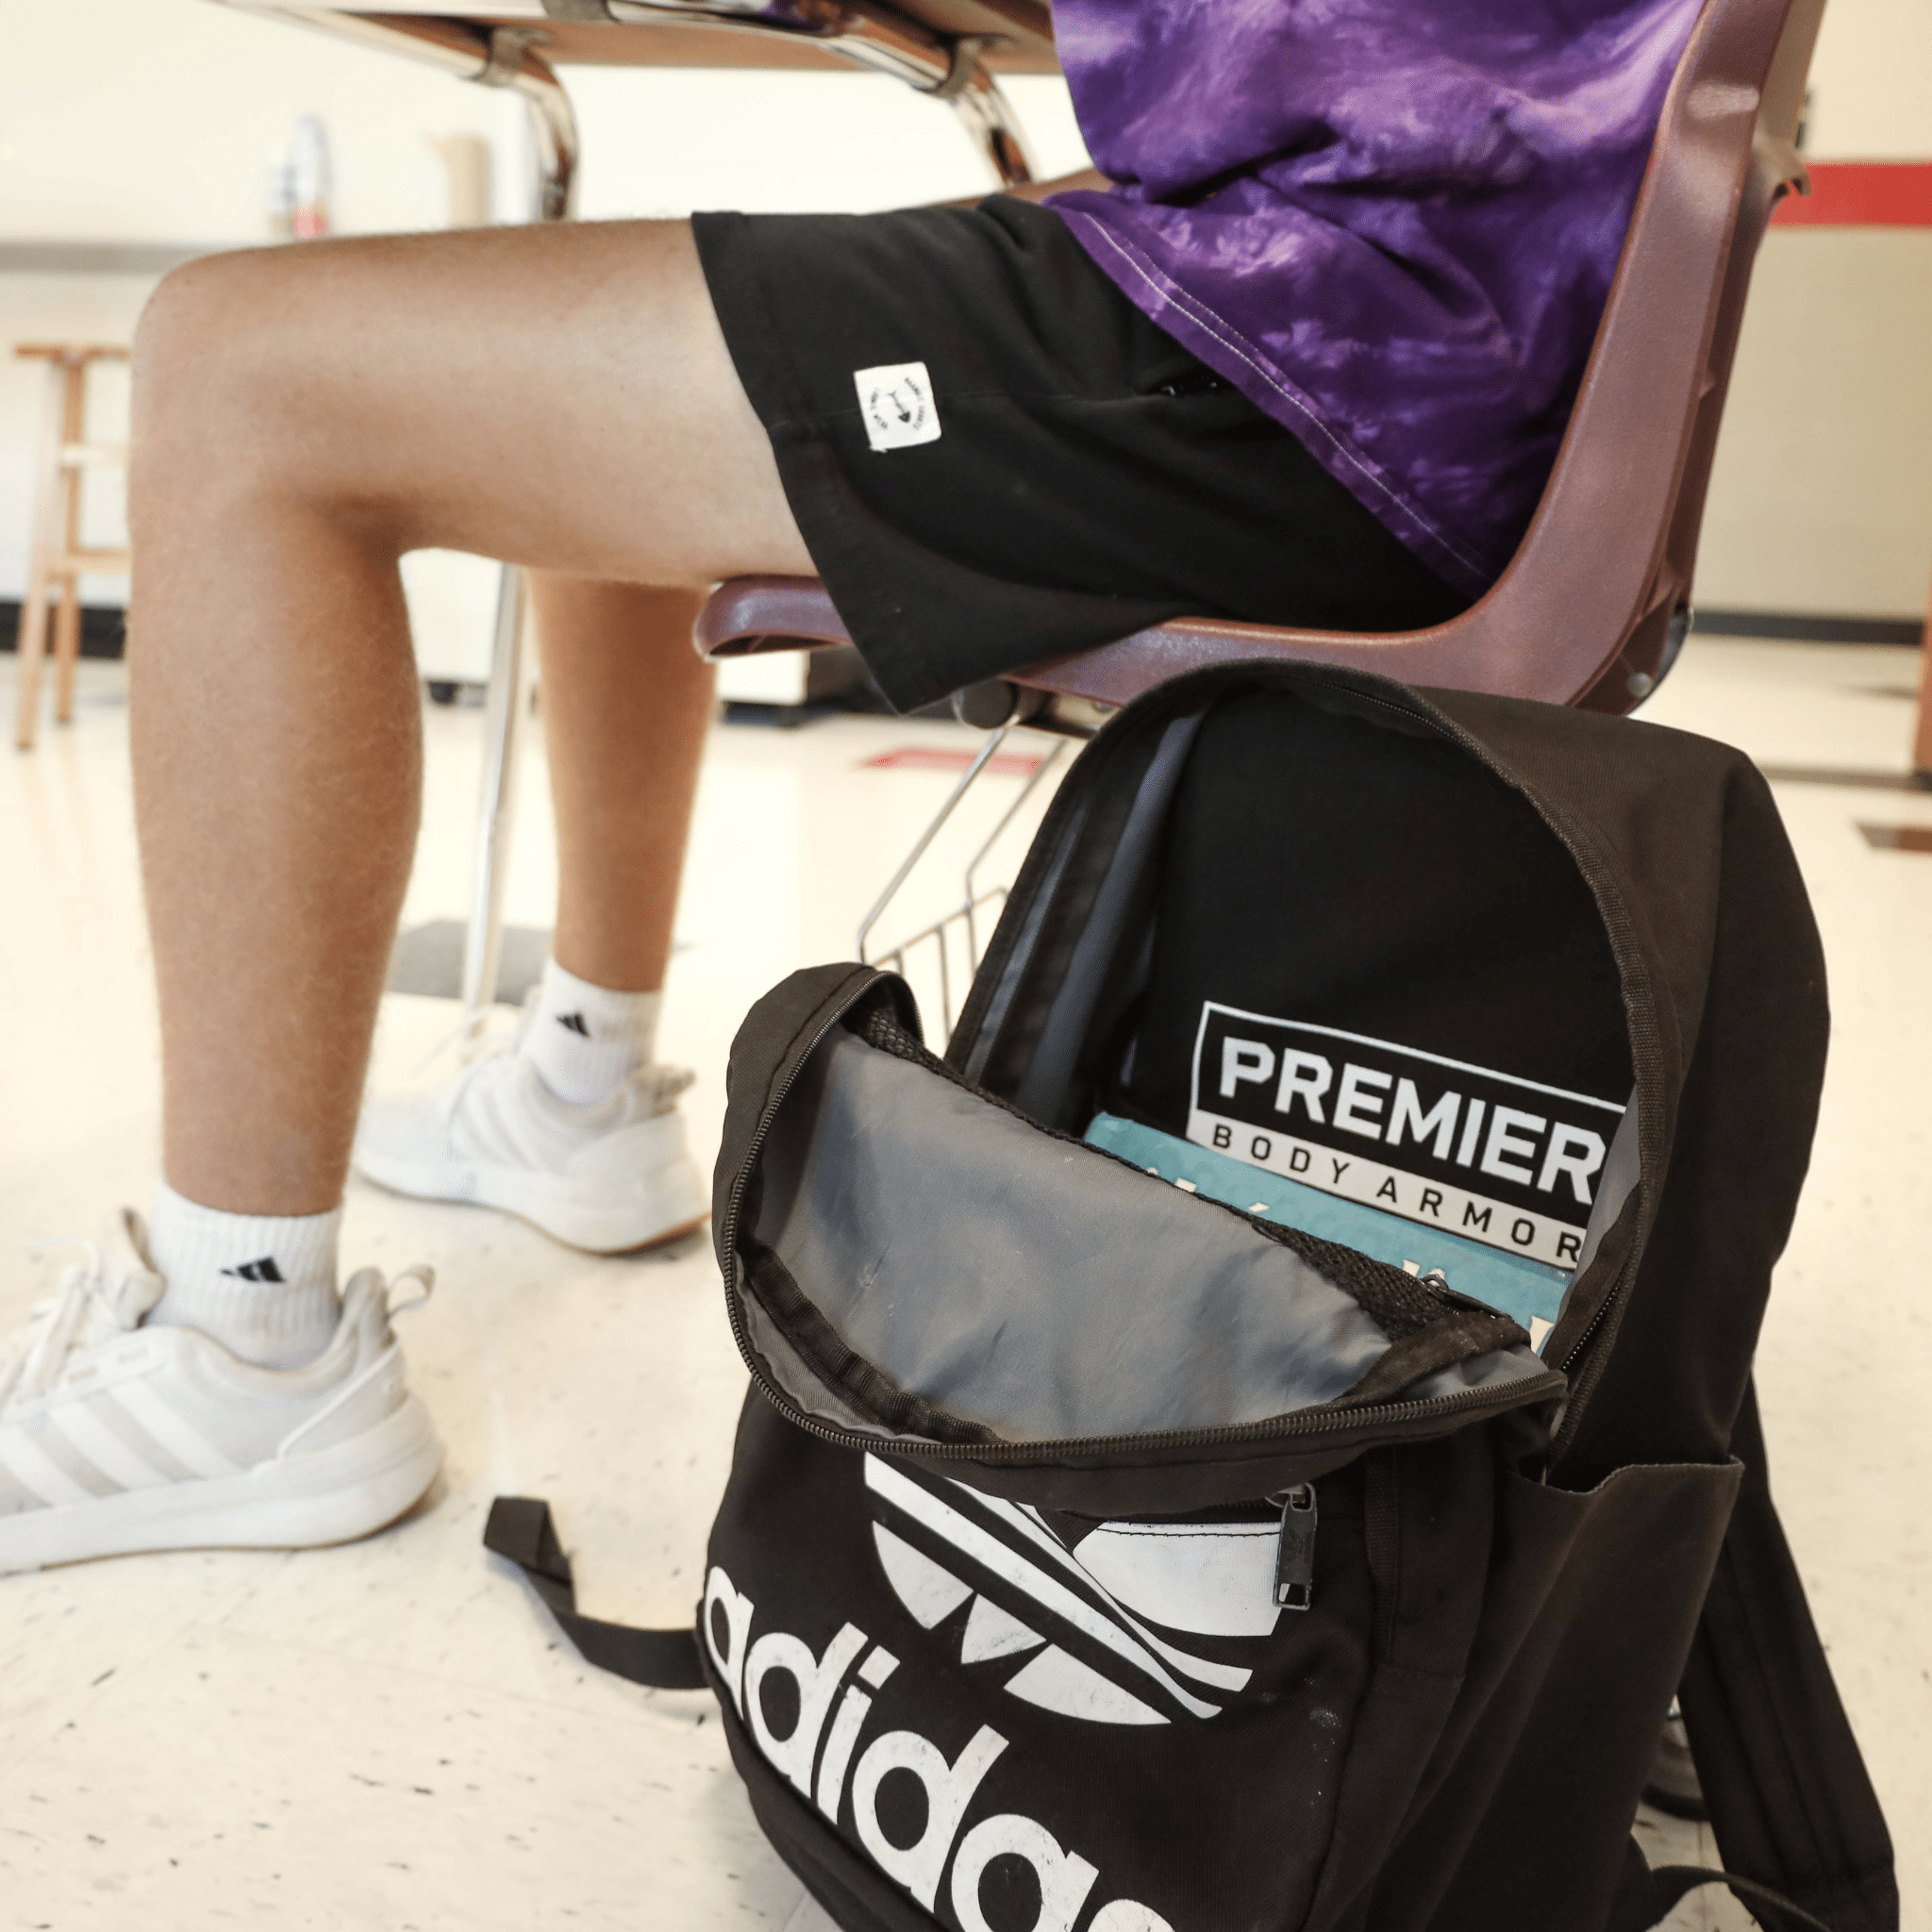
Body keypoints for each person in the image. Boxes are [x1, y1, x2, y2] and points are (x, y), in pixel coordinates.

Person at [0, 0, 1702, 1573]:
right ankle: (583, 1085)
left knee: (234, 363)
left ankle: (239, 1342)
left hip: (1327, 340)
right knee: (576, 336)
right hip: (1397, 284)